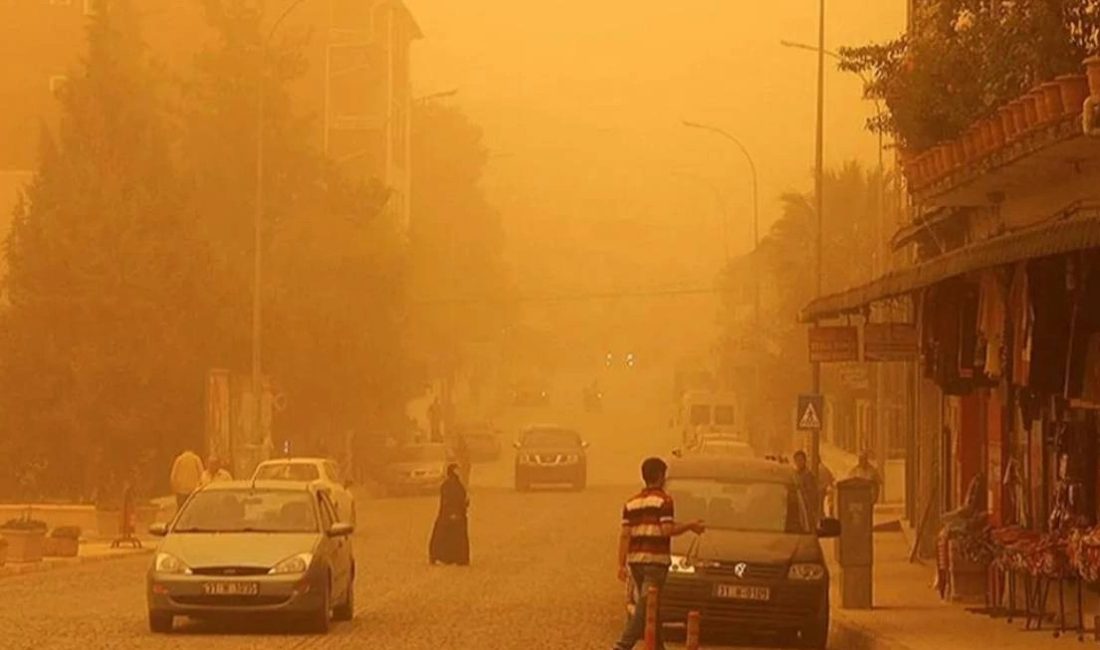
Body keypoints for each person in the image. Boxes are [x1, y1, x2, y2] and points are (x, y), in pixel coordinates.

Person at [613, 457, 705, 650]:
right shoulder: (665, 501)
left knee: (650, 608)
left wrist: (621, 564)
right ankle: (623, 645)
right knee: (646, 606)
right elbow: (666, 530)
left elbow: (625, 536)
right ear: (662, 476)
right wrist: (691, 526)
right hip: (655, 563)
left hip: (636, 562)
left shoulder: (631, 503)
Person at [429, 464, 470, 566]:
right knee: (451, 536)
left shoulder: (453, 484)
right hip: (453, 514)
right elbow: (449, 501)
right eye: (457, 470)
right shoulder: (450, 485)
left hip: (453, 514)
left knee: (450, 536)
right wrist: (453, 512)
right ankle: (452, 557)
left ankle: (451, 557)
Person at [793, 451, 821, 525]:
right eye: (797, 460)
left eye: (800, 460)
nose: (799, 463)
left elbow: (813, 496)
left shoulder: (809, 476)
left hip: (807, 511)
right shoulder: (794, 475)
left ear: (804, 461)